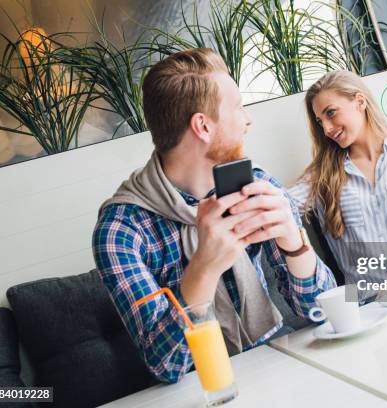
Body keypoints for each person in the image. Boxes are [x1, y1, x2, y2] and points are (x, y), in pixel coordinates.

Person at [92, 48, 335, 384]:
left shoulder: (259, 188)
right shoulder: (121, 230)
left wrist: (295, 244)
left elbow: (323, 311)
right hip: (202, 390)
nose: (247, 120)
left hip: (280, 368)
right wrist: (204, 269)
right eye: (237, 107)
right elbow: (167, 365)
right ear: (203, 126)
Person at [289, 70, 387, 284]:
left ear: (359, 102)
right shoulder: (321, 175)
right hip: (370, 303)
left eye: (331, 113)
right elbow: (282, 206)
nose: (326, 128)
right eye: (320, 121)